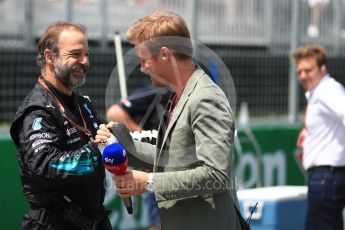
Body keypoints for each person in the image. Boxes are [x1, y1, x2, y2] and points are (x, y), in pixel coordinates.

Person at [96, 11, 242, 230]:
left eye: (144, 61)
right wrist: (124, 142)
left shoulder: (205, 97)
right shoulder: (178, 96)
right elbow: (172, 160)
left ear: (165, 55)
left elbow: (216, 174)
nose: (143, 68)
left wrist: (147, 182)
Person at [10, 21, 112, 229]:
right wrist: (96, 151)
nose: (85, 62)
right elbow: (46, 166)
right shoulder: (38, 110)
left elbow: (105, 138)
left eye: (87, 54)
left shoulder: (82, 103)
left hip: (95, 220)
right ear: (49, 57)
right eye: (76, 54)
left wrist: (114, 134)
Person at [293, 45, 345, 230]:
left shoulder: (326, 90)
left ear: (323, 68)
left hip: (326, 178)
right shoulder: (320, 93)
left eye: (308, 70)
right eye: (300, 72)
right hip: (327, 177)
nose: (303, 76)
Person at [106, 85, 171, 230]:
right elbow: (114, 112)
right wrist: (140, 135)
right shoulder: (158, 91)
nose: (142, 67)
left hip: (171, 171)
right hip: (156, 168)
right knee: (158, 224)